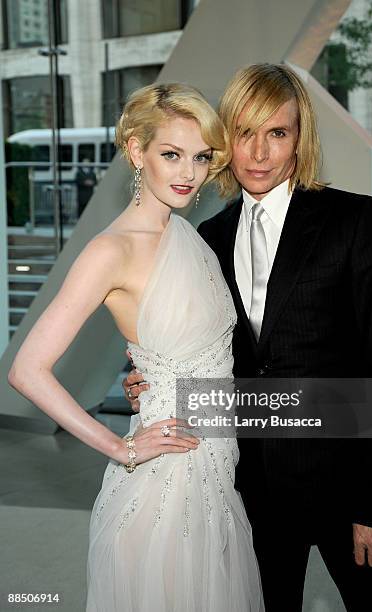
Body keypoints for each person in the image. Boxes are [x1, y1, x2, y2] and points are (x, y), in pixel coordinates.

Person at [124, 64, 372, 611]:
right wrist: (157, 380)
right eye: (244, 133)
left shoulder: (358, 221)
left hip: (349, 489)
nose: (259, 153)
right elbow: (222, 367)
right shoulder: (205, 240)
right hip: (249, 493)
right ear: (224, 143)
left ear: (299, 139)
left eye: (277, 133)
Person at [8, 83, 264, 612]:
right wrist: (120, 448)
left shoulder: (187, 236)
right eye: (170, 154)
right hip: (166, 476)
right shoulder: (111, 250)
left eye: (199, 156)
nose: (188, 173)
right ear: (135, 151)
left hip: (217, 466)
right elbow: (27, 370)